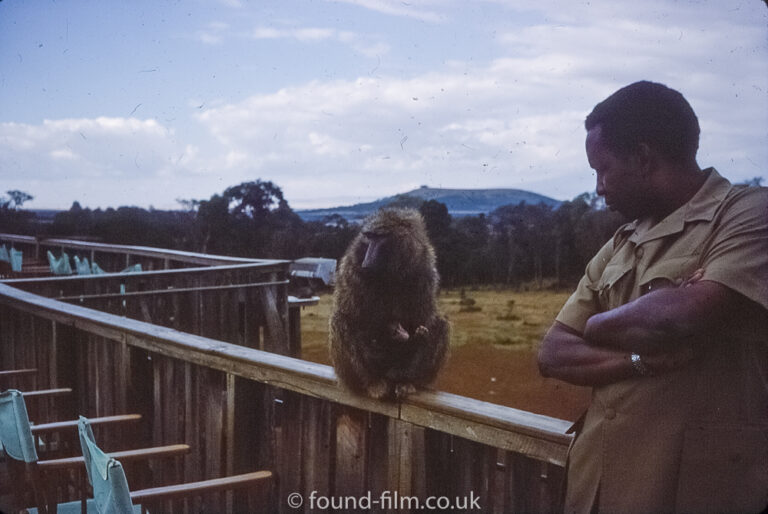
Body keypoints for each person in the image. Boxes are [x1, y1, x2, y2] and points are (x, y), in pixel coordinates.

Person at [538, 81, 768, 513]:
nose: (599, 187)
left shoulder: (748, 213)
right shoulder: (622, 241)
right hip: (598, 489)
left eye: (602, 169)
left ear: (643, 158)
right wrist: (638, 361)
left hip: (695, 492)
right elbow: (553, 353)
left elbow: (677, 318)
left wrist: (598, 325)